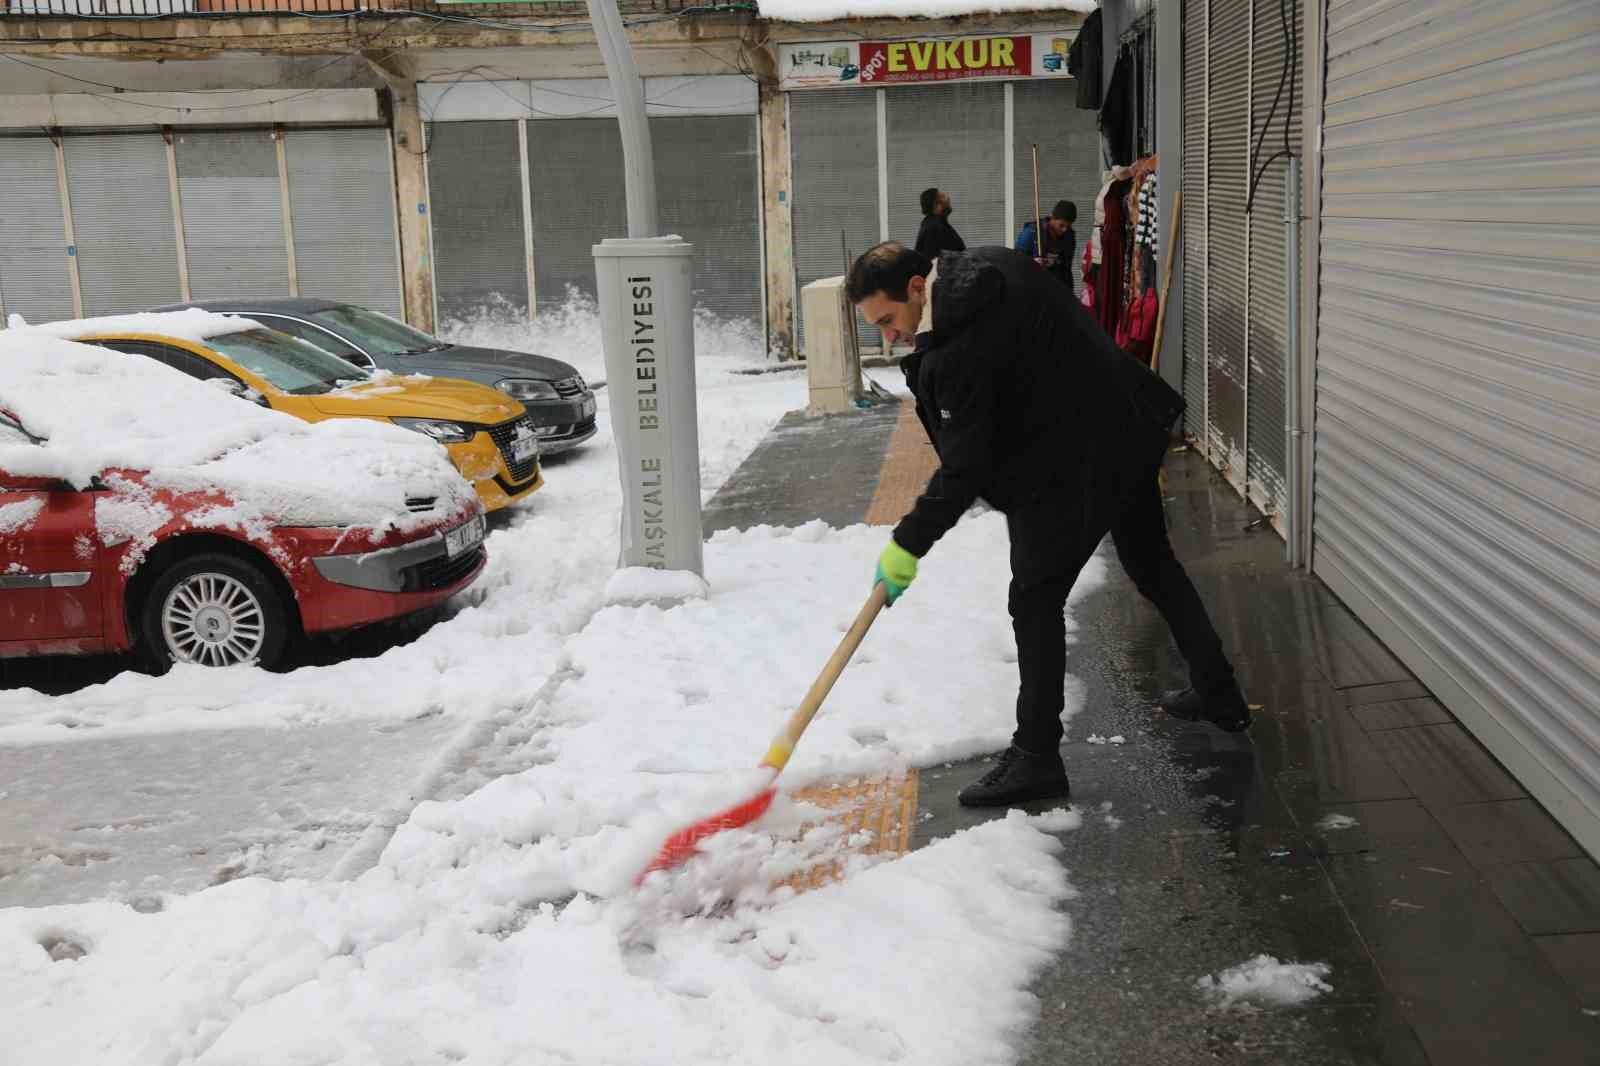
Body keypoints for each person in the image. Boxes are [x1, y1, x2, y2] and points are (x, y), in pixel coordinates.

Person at [847, 242, 1250, 808]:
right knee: (1153, 565)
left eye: (888, 321)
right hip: (1122, 422)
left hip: (1075, 458)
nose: (888, 337)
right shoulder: (986, 266)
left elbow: (966, 466)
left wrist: (906, 545)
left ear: (918, 287)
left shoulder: (963, 344)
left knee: (1034, 600)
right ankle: (1219, 692)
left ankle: (1036, 757)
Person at [1014, 199, 1077, 295]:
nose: (1064, 230)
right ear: (1052, 218)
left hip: (1056, 289)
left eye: (1068, 226)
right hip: (1032, 287)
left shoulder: (1069, 237)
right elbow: (1015, 261)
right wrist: (1032, 262)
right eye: (1061, 225)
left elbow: (1066, 269)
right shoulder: (1031, 233)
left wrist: (1069, 294)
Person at [914, 188, 966, 262]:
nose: (948, 198)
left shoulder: (934, 224)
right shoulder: (934, 228)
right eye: (943, 196)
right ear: (937, 205)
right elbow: (932, 260)